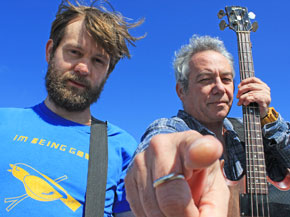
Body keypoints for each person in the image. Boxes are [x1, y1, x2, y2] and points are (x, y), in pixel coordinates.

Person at [0, 0, 143, 216]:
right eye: (75, 52)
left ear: (107, 73)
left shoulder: (121, 147)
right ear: (50, 52)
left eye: (98, 60)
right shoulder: (4, 121)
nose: (83, 68)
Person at [125, 35, 290, 217]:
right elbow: (158, 146)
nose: (220, 88)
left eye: (226, 79)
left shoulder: (253, 131)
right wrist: (161, 163)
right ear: (182, 91)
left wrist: (267, 117)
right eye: (205, 79)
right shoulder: (173, 128)